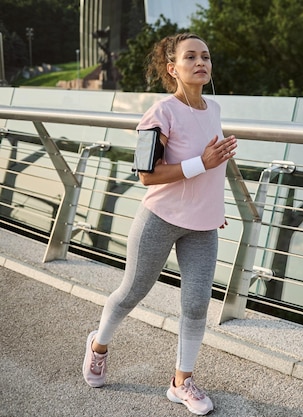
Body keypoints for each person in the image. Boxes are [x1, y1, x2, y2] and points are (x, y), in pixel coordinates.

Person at [82, 33, 237, 415]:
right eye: (190, 57)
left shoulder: (214, 108)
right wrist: (203, 162)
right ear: (173, 68)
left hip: (201, 226)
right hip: (160, 219)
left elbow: (213, 170)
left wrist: (213, 207)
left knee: (198, 303)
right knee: (132, 291)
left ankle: (181, 382)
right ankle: (98, 346)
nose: (201, 62)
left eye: (206, 56)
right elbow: (147, 176)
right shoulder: (160, 112)